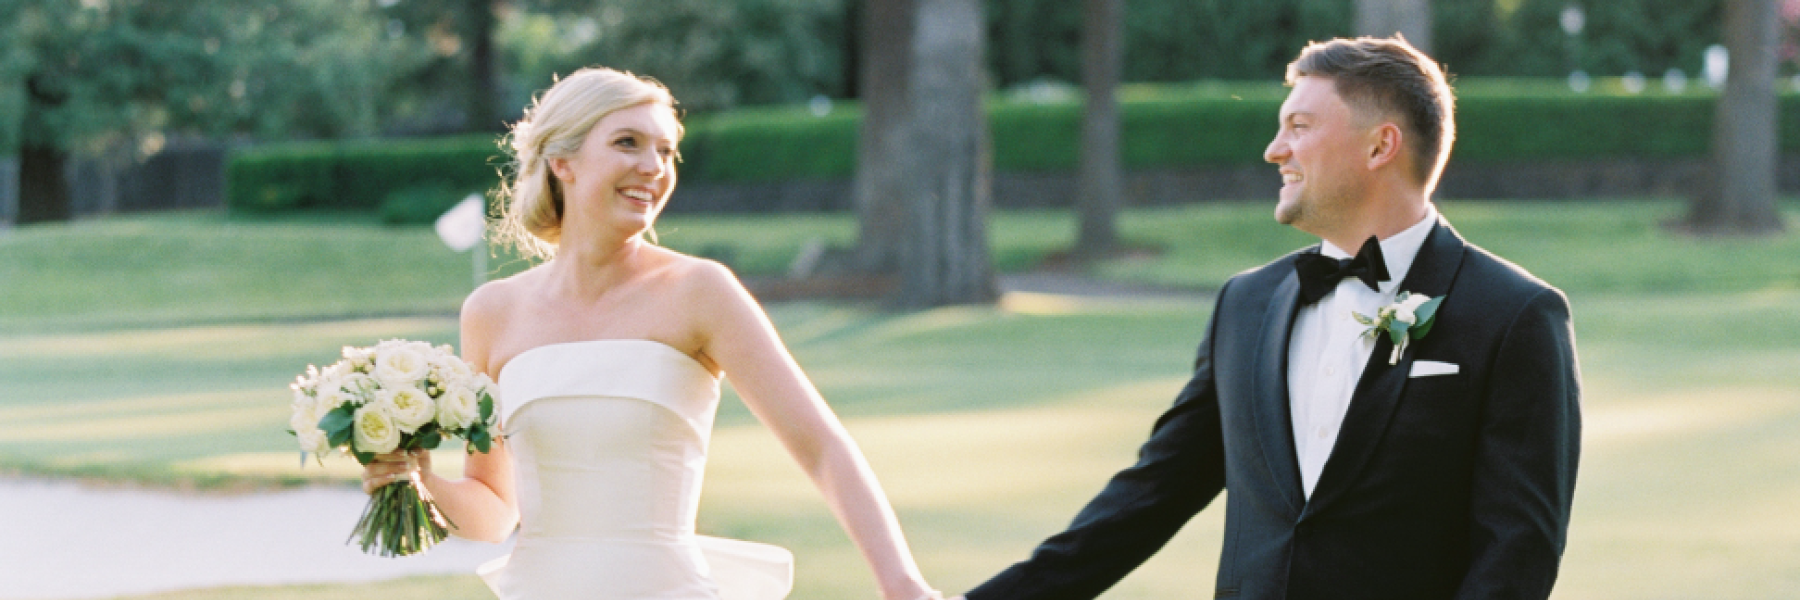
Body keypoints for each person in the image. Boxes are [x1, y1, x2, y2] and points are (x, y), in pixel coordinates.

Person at [954, 36, 1581, 600]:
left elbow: (1516, 556)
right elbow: (1149, 497)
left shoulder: (1515, 315)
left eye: (1299, 126)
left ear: (1380, 145)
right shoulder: (1246, 305)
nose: (1274, 150)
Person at [361, 67, 941, 600]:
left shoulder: (701, 291)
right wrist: (420, 480)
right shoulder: (492, 311)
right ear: (563, 160)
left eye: (667, 150)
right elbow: (492, 512)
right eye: (627, 143)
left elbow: (821, 448)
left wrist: (903, 583)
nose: (654, 167)